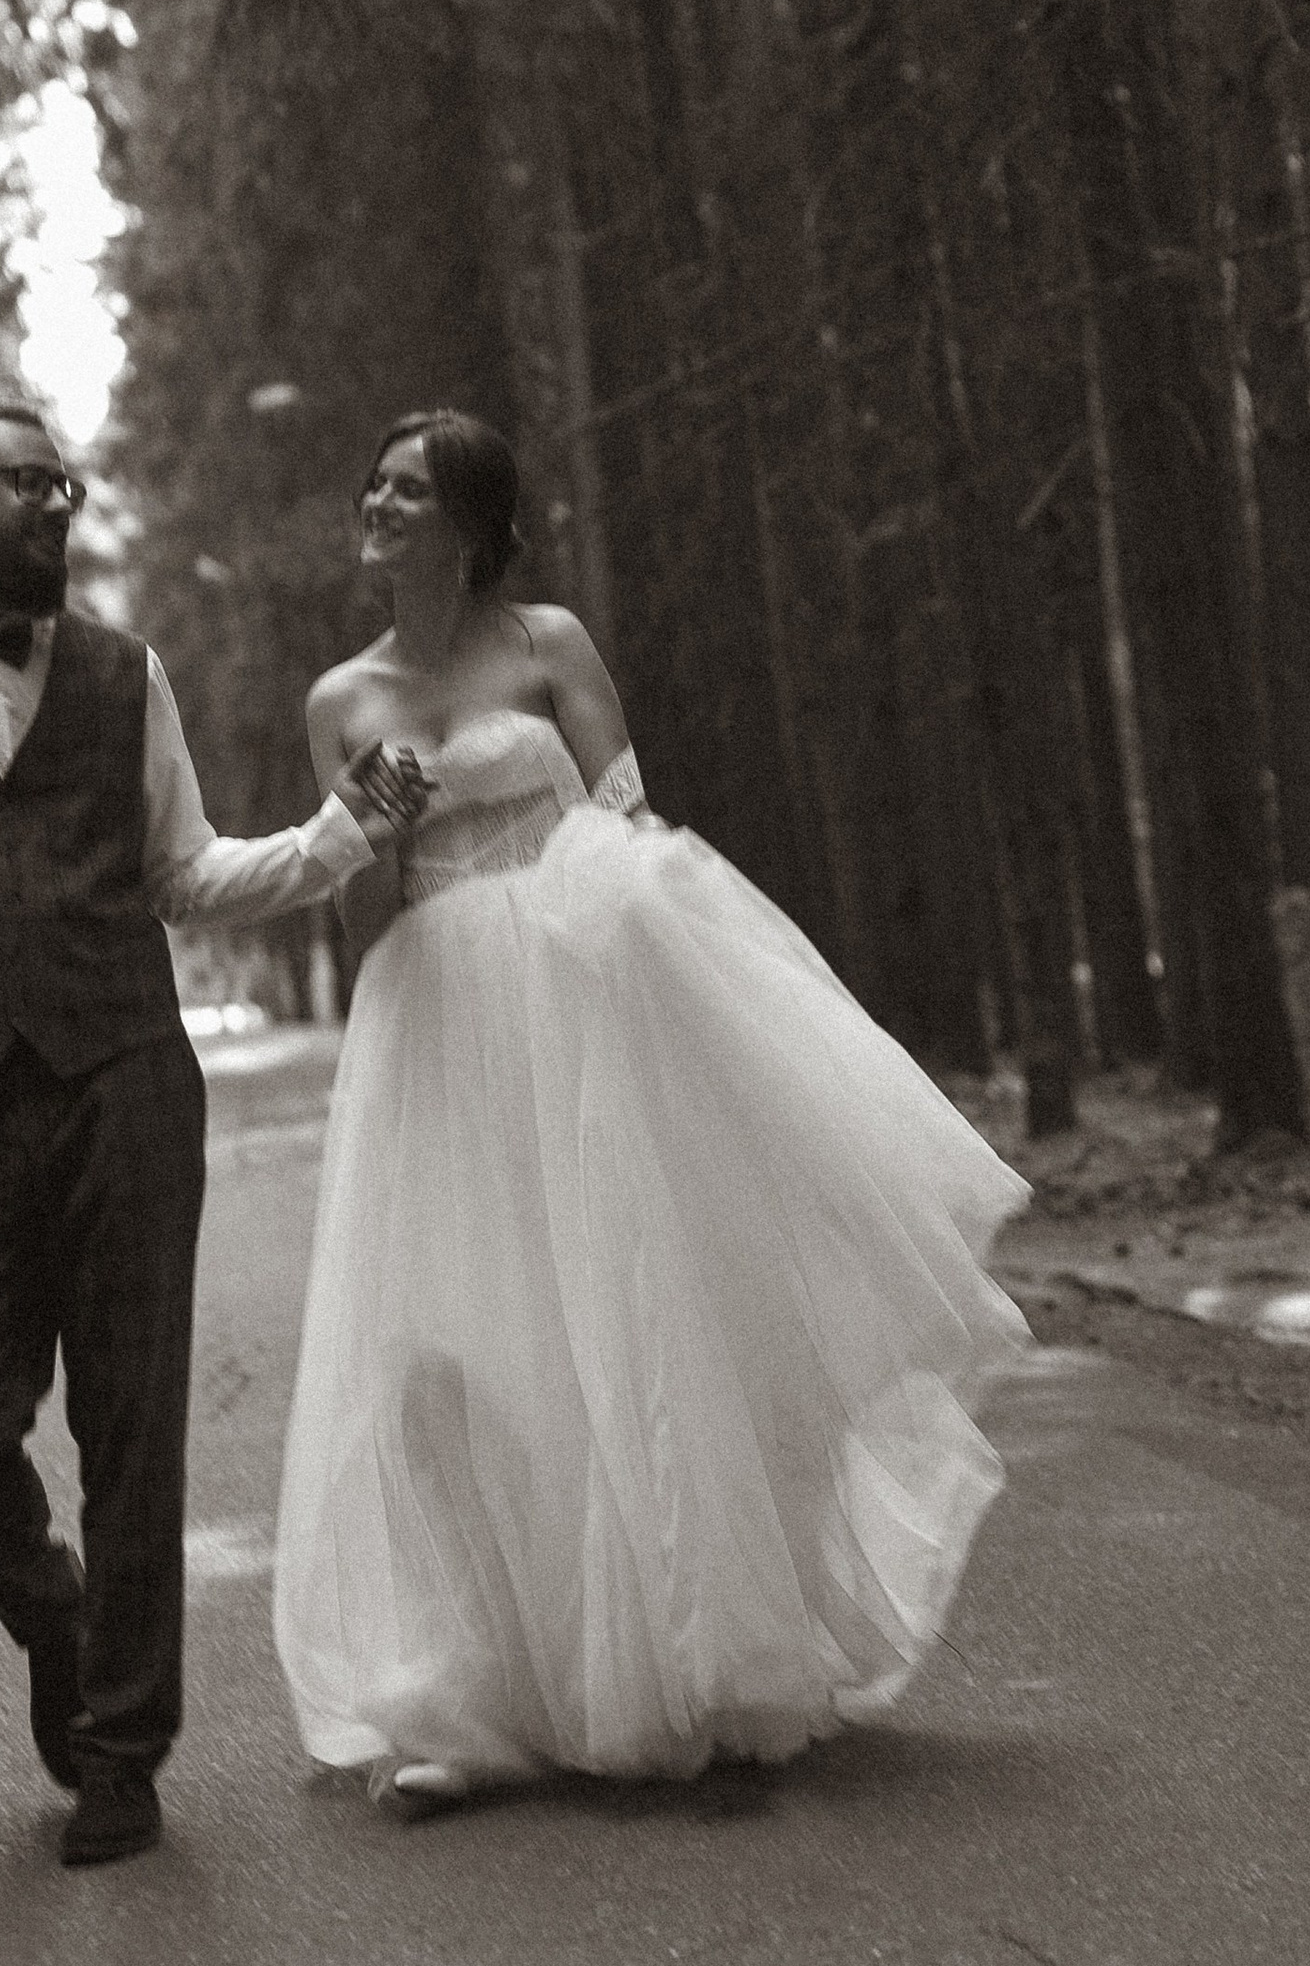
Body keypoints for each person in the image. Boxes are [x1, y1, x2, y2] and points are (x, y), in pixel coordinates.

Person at [272, 408, 1033, 1814]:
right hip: (436, 1016)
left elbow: (622, 810)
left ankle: (679, 1649)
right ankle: (484, 1695)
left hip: (582, 988)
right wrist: (368, 837)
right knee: (451, 1338)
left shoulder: (551, 644)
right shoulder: (340, 700)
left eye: (409, 487)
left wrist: (613, 929)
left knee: (619, 1310)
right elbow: (365, 885)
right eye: (372, 484)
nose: (376, 503)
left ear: (473, 522)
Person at [0, 401, 428, 1869]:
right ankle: (51, 1613)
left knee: (133, 1420)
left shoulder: (129, 674)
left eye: (65, 485)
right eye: (27, 484)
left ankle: (125, 1751)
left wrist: (338, 840)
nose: (59, 506)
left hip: (124, 1079)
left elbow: (183, 870)